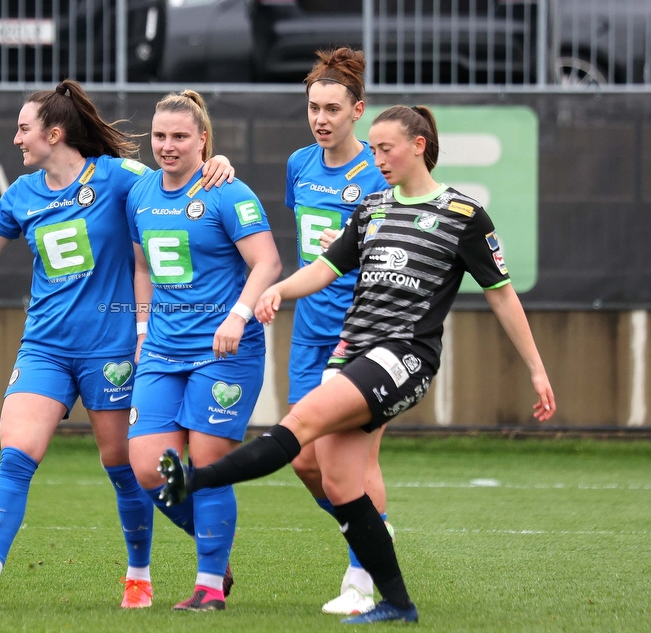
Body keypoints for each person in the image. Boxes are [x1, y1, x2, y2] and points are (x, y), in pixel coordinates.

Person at [158, 104, 556, 624]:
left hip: (404, 356)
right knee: (341, 484)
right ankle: (397, 604)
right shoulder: (372, 208)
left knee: (299, 423)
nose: (377, 157)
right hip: (351, 353)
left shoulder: (462, 215)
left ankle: (195, 480)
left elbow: (502, 295)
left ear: (418, 146)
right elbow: (323, 269)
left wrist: (537, 369)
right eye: (373, 148)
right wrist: (276, 289)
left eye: (385, 148)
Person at [0, 80, 235, 611]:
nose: (16, 138)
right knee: (15, 456)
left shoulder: (115, 177)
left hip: (110, 351)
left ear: (53, 133)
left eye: (23, 128)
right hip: (44, 347)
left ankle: (142, 575)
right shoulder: (20, 195)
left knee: (124, 467)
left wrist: (214, 163)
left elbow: (174, 181)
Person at [125, 90, 282, 612]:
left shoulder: (228, 191)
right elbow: (142, 266)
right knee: (149, 466)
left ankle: (209, 585)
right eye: (160, 136)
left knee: (208, 462)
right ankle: (215, 548)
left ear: (203, 140)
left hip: (225, 349)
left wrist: (238, 316)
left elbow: (267, 263)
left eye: (180, 137)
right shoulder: (138, 191)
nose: (167, 147)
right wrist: (143, 330)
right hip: (163, 349)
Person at [285, 47, 393, 616]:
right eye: (313, 107)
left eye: (332, 108)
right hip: (309, 336)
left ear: (358, 111)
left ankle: (360, 579)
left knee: (346, 464)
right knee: (305, 461)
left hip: (364, 337)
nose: (321, 118)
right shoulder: (299, 164)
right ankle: (376, 536)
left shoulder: (378, 172)